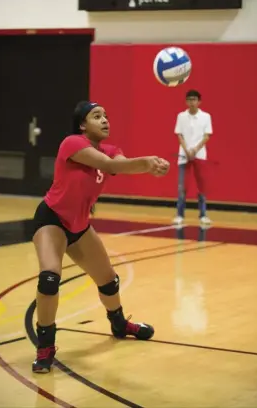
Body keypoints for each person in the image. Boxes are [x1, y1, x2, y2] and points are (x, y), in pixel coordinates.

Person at [31, 100, 170, 373]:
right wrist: (147, 162)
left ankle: (119, 324)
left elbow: (118, 164)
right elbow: (107, 164)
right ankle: (45, 347)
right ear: (83, 125)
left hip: (80, 226)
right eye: (97, 116)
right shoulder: (72, 143)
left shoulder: (111, 149)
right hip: (52, 220)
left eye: (106, 116)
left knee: (109, 281)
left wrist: (147, 165)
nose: (105, 120)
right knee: (49, 279)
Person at [173, 90, 213, 225]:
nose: (192, 102)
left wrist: (195, 149)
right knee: (182, 186)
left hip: (200, 155)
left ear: (199, 101)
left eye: (194, 99)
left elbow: (207, 135)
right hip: (184, 156)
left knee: (202, 186)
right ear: (186, 101)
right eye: (189, 99)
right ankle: (179, 215)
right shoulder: (181, 116)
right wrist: (186, 150)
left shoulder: (206, 116)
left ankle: (203, 215)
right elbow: (179, 134)